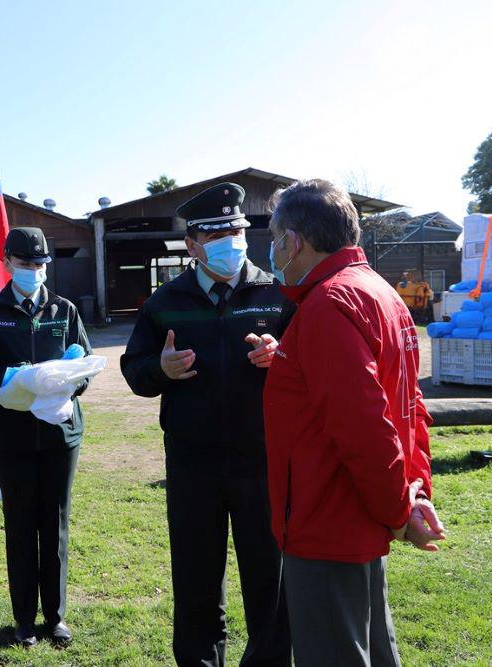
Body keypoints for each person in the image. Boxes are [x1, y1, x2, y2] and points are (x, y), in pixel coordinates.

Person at [263, 179, 446, 666]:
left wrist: (398, 512)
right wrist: (414, 493)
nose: (273, 247)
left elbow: (367, 429)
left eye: (274, 235)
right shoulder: (380, 293)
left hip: (329, 521)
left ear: (293, 241)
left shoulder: (328, 304)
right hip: (360, 516)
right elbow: (410, 407)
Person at [120, 183, 293, 667]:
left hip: (261, 458)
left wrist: (282, 358)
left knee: (269, 577)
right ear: (192, 245)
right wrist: (161, 369)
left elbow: (309, 367)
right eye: (216, 234)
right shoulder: (165, 301)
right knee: (196, 577)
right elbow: (134, 371)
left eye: (237, 229)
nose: (231, 239)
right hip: (193, 463)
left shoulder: (278, 293)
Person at [0, 227, 91, 649]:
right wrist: (18, 378)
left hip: (60, 433)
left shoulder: (64, 309)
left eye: (40, 265)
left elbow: (84, 368)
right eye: (25, 264)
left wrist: (64, 381)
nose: (33, 272)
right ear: (7, 264)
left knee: (54, 523)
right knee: (19, 525)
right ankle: (23, 619)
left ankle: (56, 617)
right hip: (12, 436)